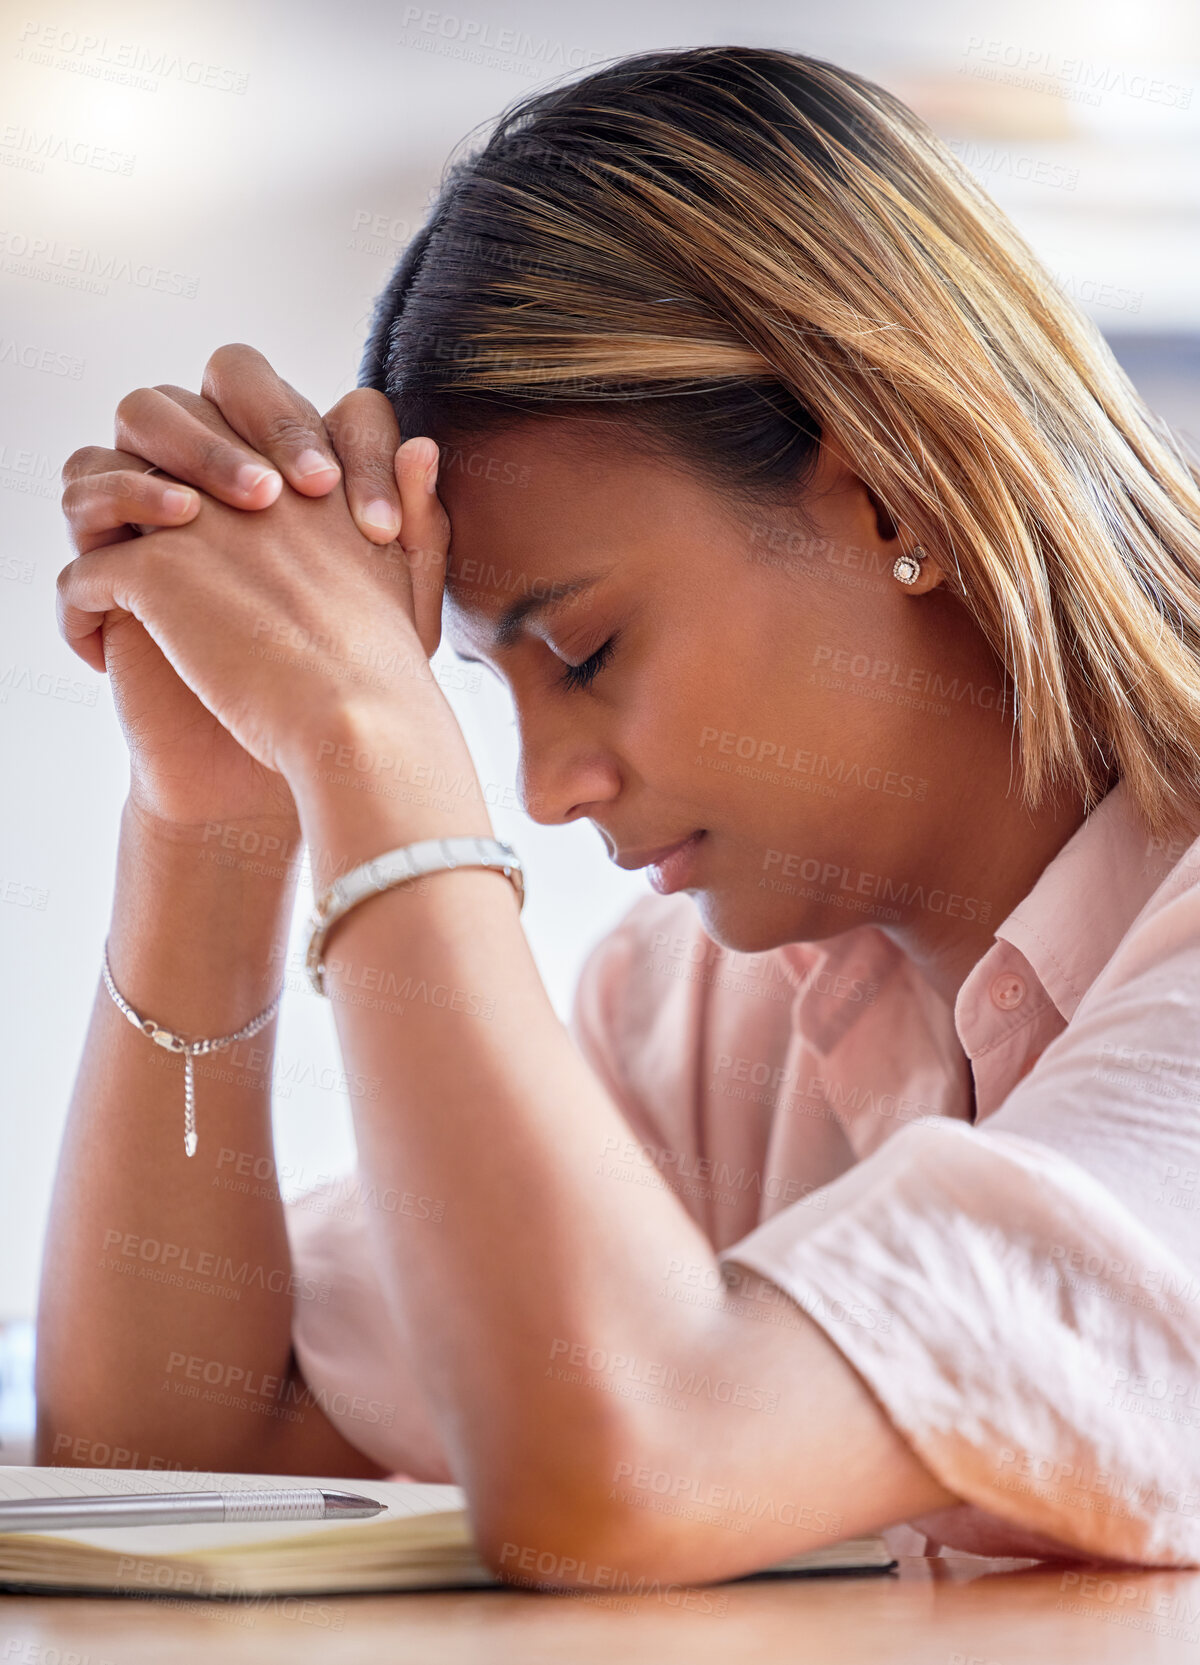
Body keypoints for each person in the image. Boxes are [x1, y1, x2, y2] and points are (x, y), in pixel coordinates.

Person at [39, 45, 1200, 1580]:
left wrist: (372, 737)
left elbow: (633, 1464)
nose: (542, 787)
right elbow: (170, 1462)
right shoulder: (707, 1017)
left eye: (583, 650)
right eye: (484, 685)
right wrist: (212, 824)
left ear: (896, 497)